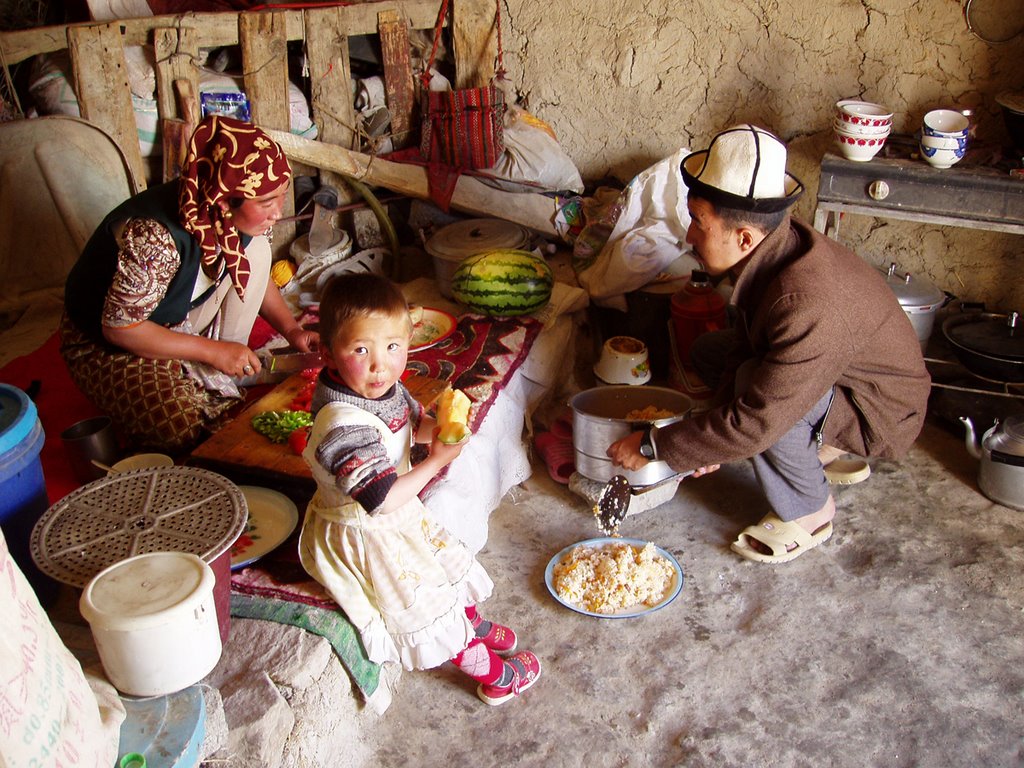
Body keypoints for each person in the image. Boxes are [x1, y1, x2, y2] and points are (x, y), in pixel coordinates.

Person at [607, 124, 931, 564]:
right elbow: (744, 344)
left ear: (743, 237)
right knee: (712, 353)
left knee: (757, 395)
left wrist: (654, 446)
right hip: (839, 376)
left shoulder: (806, 303)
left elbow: (757, 421)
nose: (689, 238)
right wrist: (706, 438)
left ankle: (813, 510)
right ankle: (819, 446)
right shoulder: (774, 246)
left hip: (881, 410)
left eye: (698, 224)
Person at [297, 272, 541, 706]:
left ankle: (473, 625)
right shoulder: (343, 428)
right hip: (368, 532)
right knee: (426, 605)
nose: (380, 364)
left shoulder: (382, 389)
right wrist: (436, 463)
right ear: (328, 353)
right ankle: (496, 676)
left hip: (398, 517)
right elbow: (383, 499)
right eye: (360, 349)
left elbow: (413, 425)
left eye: (393, 346)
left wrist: (442, 431)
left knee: (441, 570)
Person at [60, 115, 318, 454]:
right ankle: (215, 365)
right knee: (183, 424)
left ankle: (227, 367)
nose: (277, 213)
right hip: (109, 340)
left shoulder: (234, 216)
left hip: (176, 316)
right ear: (224, 200)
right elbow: (120, 329)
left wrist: (291, 331)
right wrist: (213, 351)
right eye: (267, 203)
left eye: (280, 198)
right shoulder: (154, 237)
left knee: (254, 248)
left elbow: (252, 271)